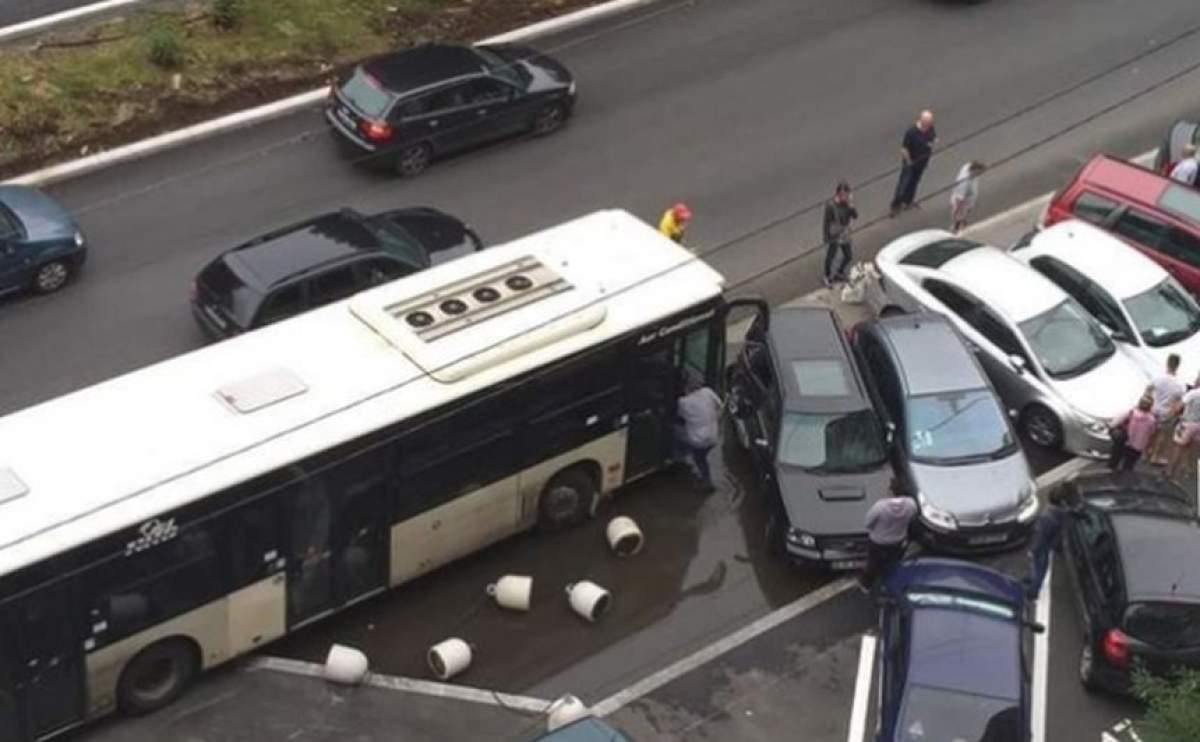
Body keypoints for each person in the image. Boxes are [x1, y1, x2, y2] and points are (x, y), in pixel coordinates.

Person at [859, 479, 918, 593]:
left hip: (878, 542)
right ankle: (890, 584)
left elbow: (868, 523)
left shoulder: (880, 506)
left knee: (873, 563)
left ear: (891, 491)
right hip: (898, 541)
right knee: (894, 563)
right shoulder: (911, 504)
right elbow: (912, 519)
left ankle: (866, 585)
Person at [1021, 488, 1081, 600]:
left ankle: (1033, 591)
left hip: (1042, 546)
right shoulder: (1062, 514)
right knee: (1039, 566)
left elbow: (1040, 537)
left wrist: (1033, 549)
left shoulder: (1047, 517)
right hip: (1050, 543)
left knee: (1039, 568)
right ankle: (1030, 578)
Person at [675, 370, 722, 492]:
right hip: (714, 437)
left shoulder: (683, 402)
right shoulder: (708, 392)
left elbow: (680, 416)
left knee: (674, 430)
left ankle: (679, 457)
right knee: (701, 456)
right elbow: (720, 406)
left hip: (698, 442)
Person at [889, 110, 938, 216]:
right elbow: (904, 149)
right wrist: (909, 161)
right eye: (927, 123)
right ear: (922, 121)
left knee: (915, 182)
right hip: (910, 162)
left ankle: (908, 201)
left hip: (922, 162)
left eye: (930, 123)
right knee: (904, 183)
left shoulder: (930, 129)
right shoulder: (912, 132)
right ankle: (896, 205)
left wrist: (931, 146)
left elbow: (933, 139)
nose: (929, 126)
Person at [1146, 353, 1185, 465]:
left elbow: (1148, 390)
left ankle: (1145, 452)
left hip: (1153, 409)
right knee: (1161, 436)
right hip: (1166, 413)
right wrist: (1173, 414)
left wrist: (1149, 402)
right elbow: (1178, 403)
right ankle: (1155, 456)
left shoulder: (1157, 378)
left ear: (1167, 363)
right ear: (1177, 366)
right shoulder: (1180, 385)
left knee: (1151, 432)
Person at [822, 181, 859, 287]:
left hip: (844, 233)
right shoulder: (831, 206)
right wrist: (826, 237)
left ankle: (839, 272)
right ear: (838, 194)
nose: (845, 197)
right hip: (834, 235)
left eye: (847, 195)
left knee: (848, 255)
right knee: (831, 257)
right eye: (843, 195)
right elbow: (826, 222)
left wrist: (851, 205)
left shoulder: (847, 204)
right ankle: (827, 276)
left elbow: (855, 215)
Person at [1108, 393, 1157, 472]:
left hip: (1124, 441)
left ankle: (1110, 475)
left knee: (1115, 461)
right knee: (1128, 466)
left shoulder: (1130, 412)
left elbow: (1114, 423)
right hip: (1137, 447)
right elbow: (1151, 433)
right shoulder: (1152, 420)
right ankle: (1123, 479)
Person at [1166, 372, 1200, 480]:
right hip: (1198, 425)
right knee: (1191, 448)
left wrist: (1171, 411)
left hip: (1187, 423)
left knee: (1178, 447)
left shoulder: (1194, 393)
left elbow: (1178, 407)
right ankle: (1184, 472)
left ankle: (1170, 472)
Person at [949, 160, 986, 234]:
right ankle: (956, 228)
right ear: (974, 170)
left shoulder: (968, 167)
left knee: (963, 215)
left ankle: (959, 224)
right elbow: (960, 199)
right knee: (960, 216)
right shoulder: (965, 182)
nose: (980, 174)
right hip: (962, 201)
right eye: (979, 172)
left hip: (967, 198)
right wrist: (957, 209)